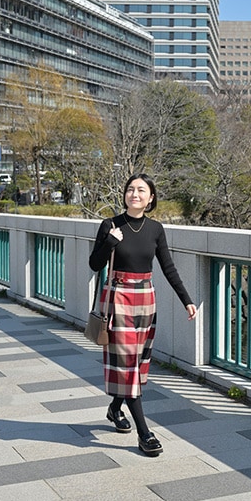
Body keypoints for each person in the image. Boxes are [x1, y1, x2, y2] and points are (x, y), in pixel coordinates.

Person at [88, 173, 198, 456]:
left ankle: (115, 408)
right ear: (124, 195)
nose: (134, 194)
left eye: (141, 190)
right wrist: (110, 243)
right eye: (130, 189)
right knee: (128, 365)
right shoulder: (110, 225)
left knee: (136, 364)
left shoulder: (156, 229)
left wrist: (186, 300)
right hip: (118, 299)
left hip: (146, 300)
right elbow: (94, 264)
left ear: (150, 199)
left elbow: (168, 268)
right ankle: (144, 432)